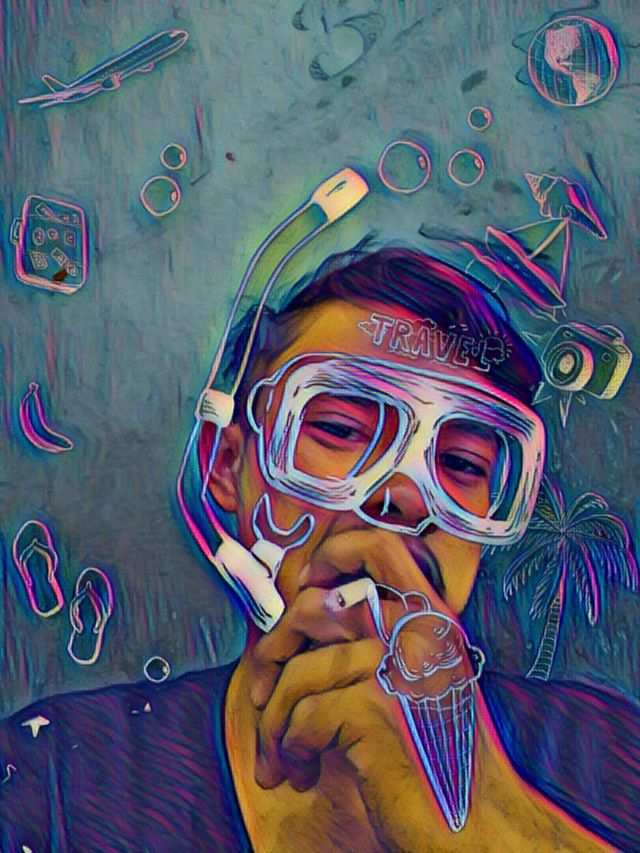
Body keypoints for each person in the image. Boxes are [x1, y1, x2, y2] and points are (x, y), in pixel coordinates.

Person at [0, 244, 638, 853]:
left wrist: (491, 834)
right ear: (226, 464)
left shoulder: (609, 761)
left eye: (463, 463)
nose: (403, 495)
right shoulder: (52, 781)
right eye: (338, 429)